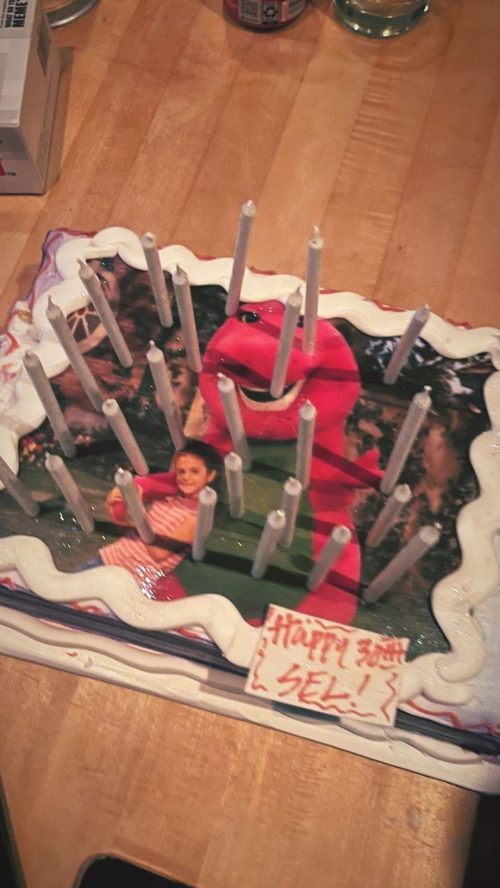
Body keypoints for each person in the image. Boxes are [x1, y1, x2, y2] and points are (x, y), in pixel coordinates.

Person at [98, 440, 221, 598]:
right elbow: (130, 535)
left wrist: (137, 511)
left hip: (132, 579)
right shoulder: (168, 499)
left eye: (194, 471)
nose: (186, 477)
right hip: (107, 558)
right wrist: (116, 512)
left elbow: (158, 552)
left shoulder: (197, 518)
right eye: (181, 471)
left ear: (211, 475)